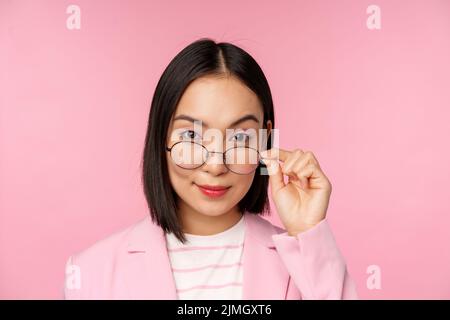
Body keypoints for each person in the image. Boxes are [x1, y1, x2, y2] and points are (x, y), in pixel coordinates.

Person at [64, 38, 358, 300]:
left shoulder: (303, 264)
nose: (216, 165)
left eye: (240, 137)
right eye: (191, 136)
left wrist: (308, 232)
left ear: (265, 140)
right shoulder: (89, 272)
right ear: (160, 135)